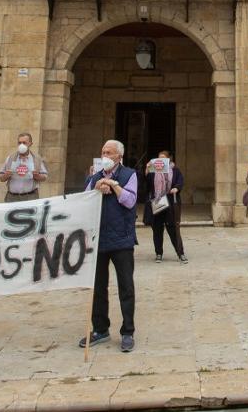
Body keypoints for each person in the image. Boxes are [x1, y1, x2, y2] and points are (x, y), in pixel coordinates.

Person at [82, 139, 139, 352]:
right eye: (103, 151)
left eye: (109, 152)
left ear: (119, 156)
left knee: (126, 286)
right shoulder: (95, 177)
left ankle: (127, 331)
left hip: (122, 239)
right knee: (98, 286)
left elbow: (130, 201)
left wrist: (114, 186)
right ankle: (100, 328)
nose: (105, 155)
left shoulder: (129, 175)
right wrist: (96, 188)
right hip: (99, 239)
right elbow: (84, 201)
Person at [144, 150, 186, 263]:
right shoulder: (153, 170)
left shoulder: (175, 170)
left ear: (168, 159)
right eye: (159, 159)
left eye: (163, 159)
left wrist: (176, 188)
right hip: (158, 201)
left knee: (173, 229)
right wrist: (147, 170)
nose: (161, 161)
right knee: (157, 229)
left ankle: (180, 253)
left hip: (170, 202)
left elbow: (180, 181)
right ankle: (158, 253)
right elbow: (147, 184)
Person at [0, 132, 48, 202]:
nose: (21, 145)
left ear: (30, 144)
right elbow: (1, 178)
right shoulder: (10, 158)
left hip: (30, 197)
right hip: (12, 197)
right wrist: (6, 175)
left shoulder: (37, 159)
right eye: (19, 143)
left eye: (24, 143)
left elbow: (44, 177)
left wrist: (37, 176)